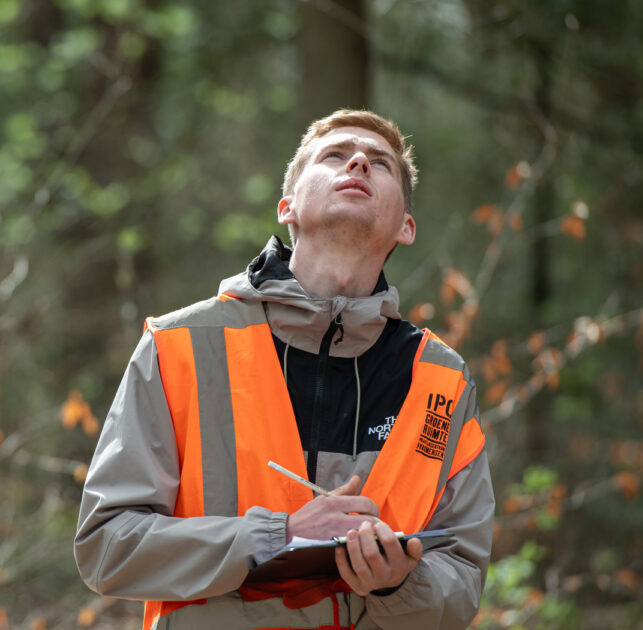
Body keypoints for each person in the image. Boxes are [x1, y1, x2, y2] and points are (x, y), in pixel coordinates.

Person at [74, 109, 494, 630]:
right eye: (335, 155)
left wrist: (399, 582)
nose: (359, 161)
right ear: (287, 207)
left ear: (406, 228)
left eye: (380, 164)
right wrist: (277, 536)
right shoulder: (178, 346)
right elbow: (106, 546)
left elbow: (462, 581)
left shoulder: (442, 381)